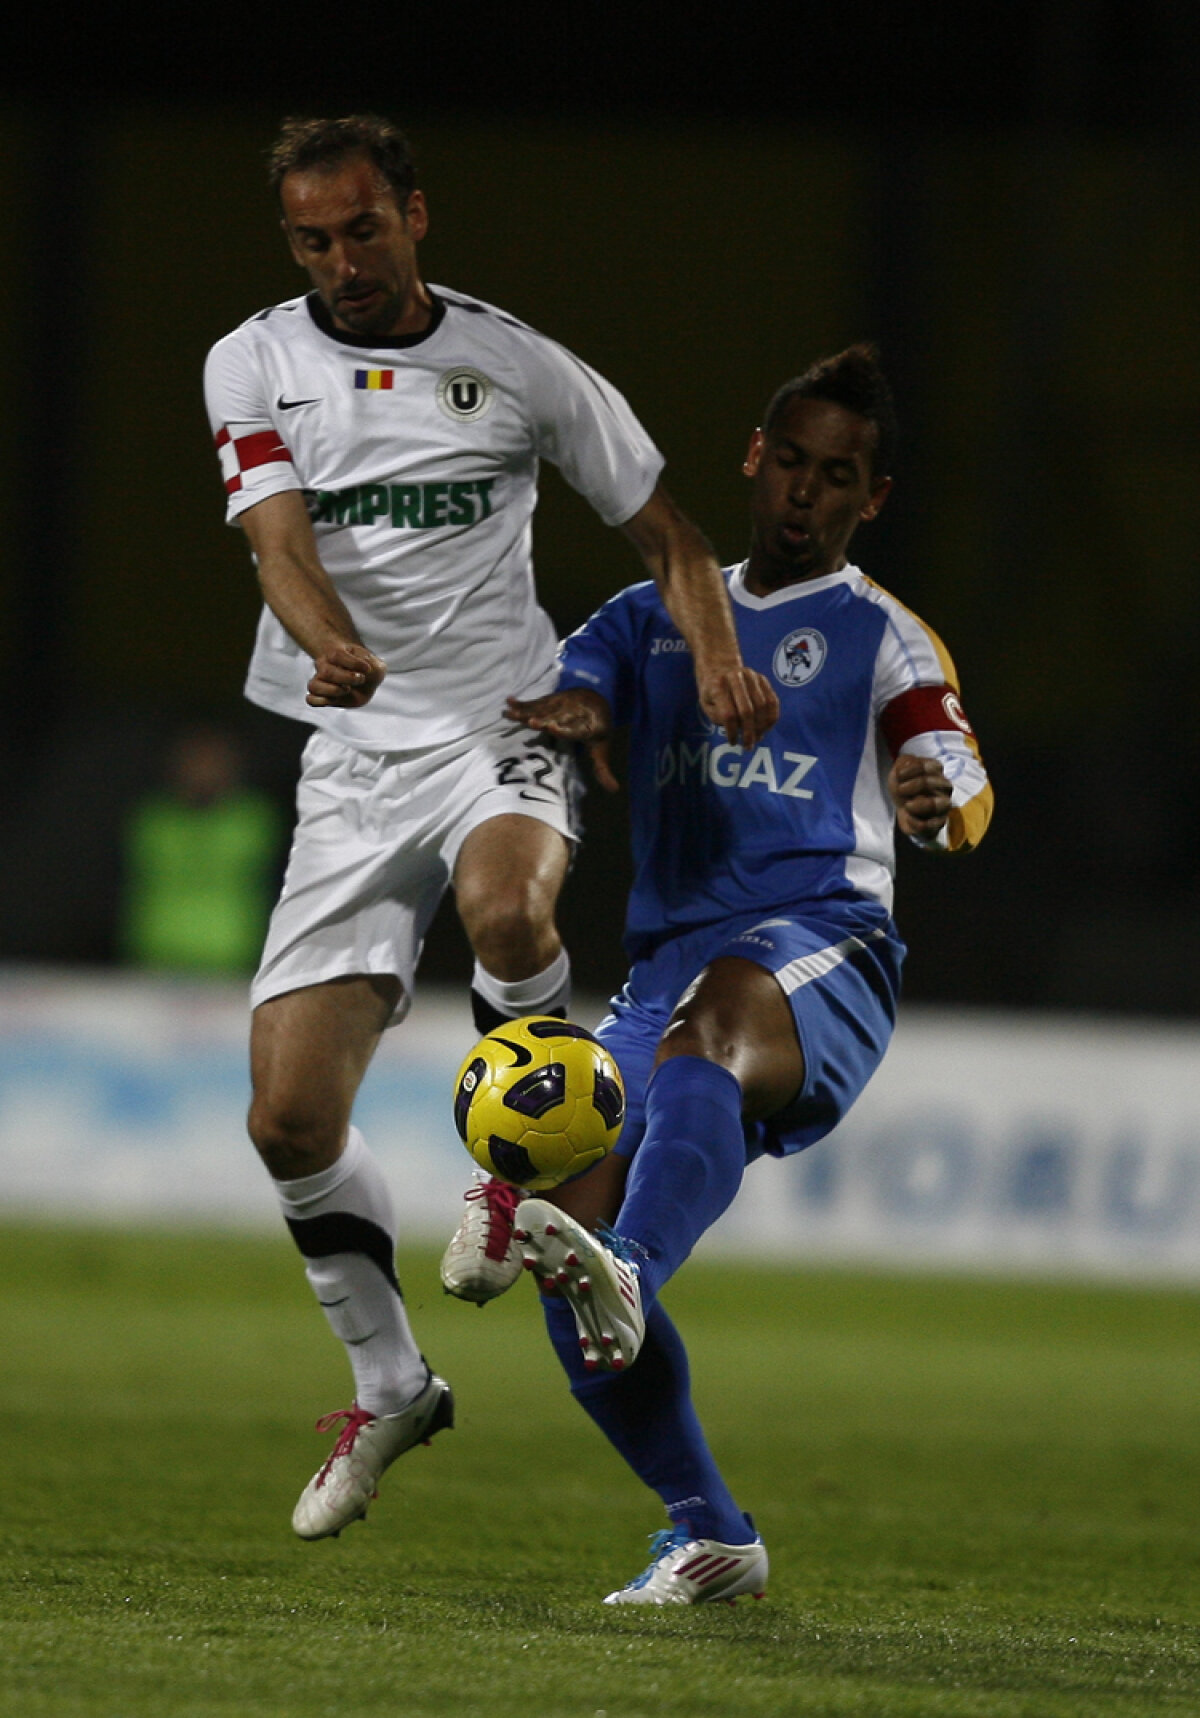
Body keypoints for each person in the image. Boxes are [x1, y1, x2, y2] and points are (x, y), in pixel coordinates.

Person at [202, 113, 776, 1543]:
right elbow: (278, 542)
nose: (340, 260)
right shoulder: (252, 358)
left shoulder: (516, 366)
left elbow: (675, 539)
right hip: (351, 758)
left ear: (415, 214)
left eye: (363, 228)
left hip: (499, 728)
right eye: (312, 240)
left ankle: (511, 1177)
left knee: (513, 913)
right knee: (287, 1119)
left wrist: (709, 660)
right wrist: (329, 646)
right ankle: (392, 1384)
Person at [441, 344, 993, 1604]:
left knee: (703, 1044)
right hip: (666, 974)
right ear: (754, 458)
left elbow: (956, 773)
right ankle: (709, 1528)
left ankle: (632, 1259)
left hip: (822, 948)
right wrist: (577, 720)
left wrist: (937, 799)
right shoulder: (645, 619)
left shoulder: (883, 634)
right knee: (557, 1251)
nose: (805, 492)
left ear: (873, 498)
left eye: (837, 477)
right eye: (789, 461)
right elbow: (568, 691)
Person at [120, 725, 282, 973]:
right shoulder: (153, 817)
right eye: (194, 760)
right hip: (155, 954)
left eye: (212, 761)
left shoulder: (253, 817)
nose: (203, 770)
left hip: (231, 956)